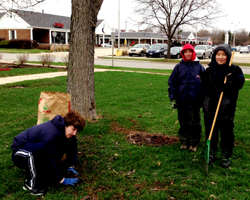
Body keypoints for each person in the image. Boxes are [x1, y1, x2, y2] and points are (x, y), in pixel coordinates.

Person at [11, 110, 85, 196]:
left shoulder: (66, 132)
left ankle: (42, 174)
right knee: (40, 151)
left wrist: (70, 165)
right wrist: (61, 179)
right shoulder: (51, 135)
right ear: (66, 124)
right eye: (73, 129)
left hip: (36, 149)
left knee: (45, 155)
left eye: (77, 131)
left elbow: (72, 148)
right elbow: (49, 159)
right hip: (19, 152)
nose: (74, 133)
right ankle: (31, 185)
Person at [201, 44, 245, 168]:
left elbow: (240, 84)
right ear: (214, 56)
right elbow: (204, 86)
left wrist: (229, 83)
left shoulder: (235, 70)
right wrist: (214, 87)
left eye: (223, 54)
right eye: (218, 54)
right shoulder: (209, 70)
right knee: (211, 131)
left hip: (226, 107)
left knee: (226, 133)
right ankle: (212, 151)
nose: (220, 57)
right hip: (210, 106)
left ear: (228, 56)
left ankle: (226, 153)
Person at [168, 44, 205, 152]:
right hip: (182, 100)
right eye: (186, 52)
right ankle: (184, 141)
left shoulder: (199, 67)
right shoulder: (178, 67)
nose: (188, 54)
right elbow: (172, 83)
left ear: (193, 53)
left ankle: (194, 143)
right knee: (183, 122)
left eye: (190, 52)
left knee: (194, 122)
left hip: (195, 101)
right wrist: (173, 96)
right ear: (183, 54)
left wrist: (203, 98)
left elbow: (205, 83)